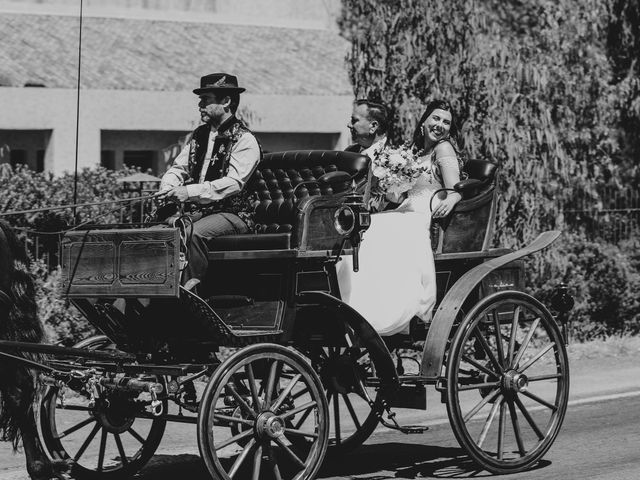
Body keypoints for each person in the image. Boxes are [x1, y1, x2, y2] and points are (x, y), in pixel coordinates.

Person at [337, 99, 463, 336]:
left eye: (446, 122)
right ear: (424, 121)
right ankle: (367, 302)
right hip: (408, 204)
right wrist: (392, 185)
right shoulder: (413, 150)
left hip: (428, 207)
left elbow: (455, 188)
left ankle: (393, 308)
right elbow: (402, 191)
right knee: (372, 226)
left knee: (390, 229)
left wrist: (453, 198)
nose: (440, 125)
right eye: (435, 118)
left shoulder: (443, 148)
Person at [160, 73, 261, 289]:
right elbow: (178, 168)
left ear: (226, 102)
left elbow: (234, 183)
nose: (199, 104)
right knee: (158, 232)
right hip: (201, 213)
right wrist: (167, 189)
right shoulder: (199, 136)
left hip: (234, 214)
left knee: (192, 233)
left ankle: (190, 291)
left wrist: (189, 192)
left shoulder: (244, 139)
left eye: (205, 99)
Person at [345, 99, 392, 212]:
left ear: (373, 126)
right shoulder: (349, 151)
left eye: (354, 120)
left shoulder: (394, 159)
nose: (349, 125)